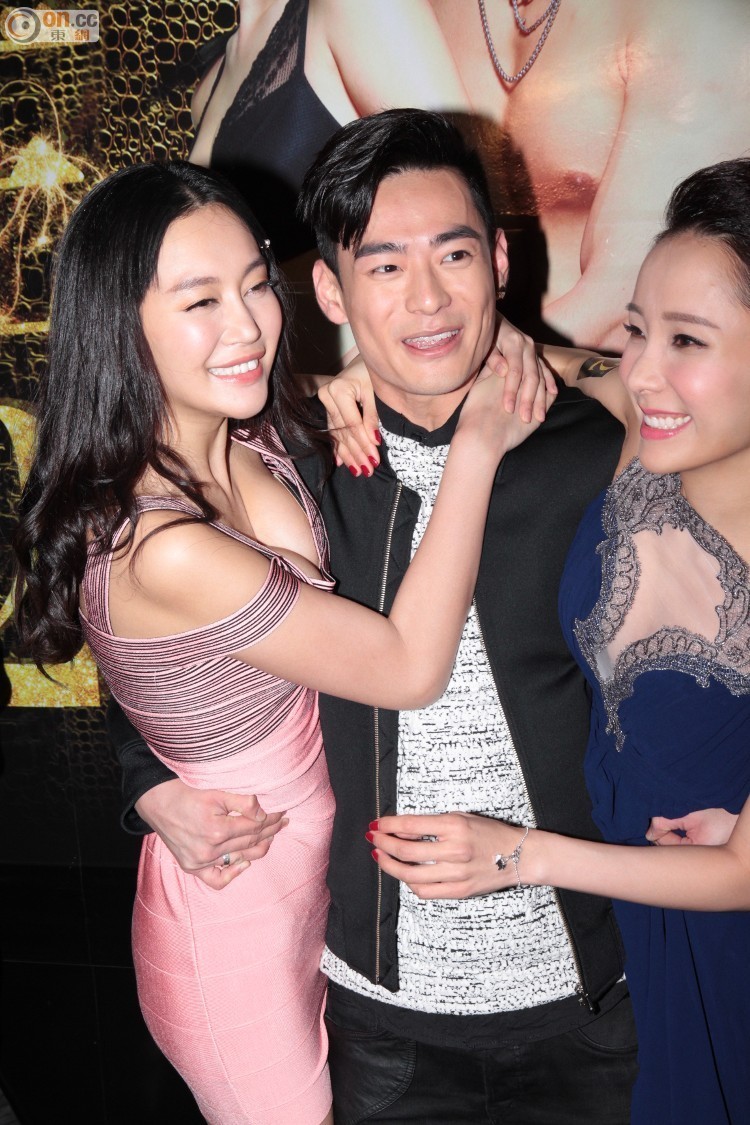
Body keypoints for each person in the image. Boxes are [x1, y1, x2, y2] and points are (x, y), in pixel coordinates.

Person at [109, 110, 638, 1123]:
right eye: (384, 266)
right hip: (382, 1025)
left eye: (453, 255)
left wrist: (555, 360)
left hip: (591, 1006)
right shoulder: (292, 471)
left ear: (499, 262)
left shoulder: (593, 451)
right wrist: (148, 783)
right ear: (329, 291)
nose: (427, 298)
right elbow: (160, 645)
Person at [12, 158, 548, 1124]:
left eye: (257, 284)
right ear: (120, 327)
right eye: (200, 301)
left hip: (320, 894)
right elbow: (405, 668)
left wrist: (432, 354)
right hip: (234, 923)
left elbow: (436, 360)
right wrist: (477, 447)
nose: (250, 324)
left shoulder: (245, 425)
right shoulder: (161, 546)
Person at [370, 156, 750, 1123]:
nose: (644, 369)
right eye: (639, 328)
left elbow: (742, 873)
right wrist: (361, 371)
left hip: (718, 946)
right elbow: (554, 365)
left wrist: (519, 857)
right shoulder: (641, 436)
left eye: (687, 339)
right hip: (635, 932)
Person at [430, 0, 750, 348]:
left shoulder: (695, 19)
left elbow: (625, 296)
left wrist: (483, 364)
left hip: (590, 367)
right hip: (443, 350)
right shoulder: (408, 12)